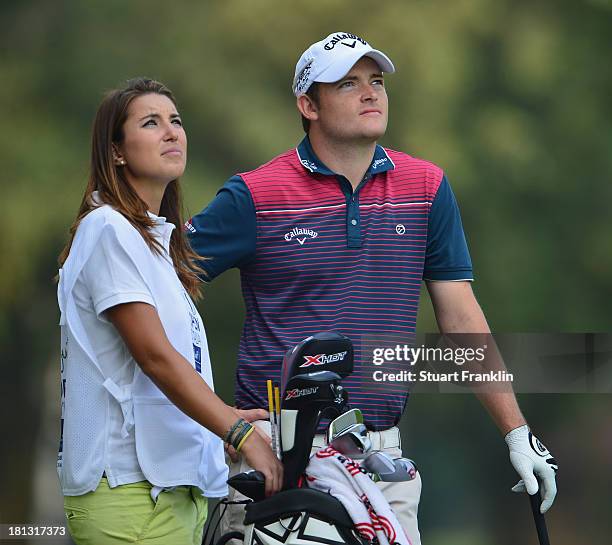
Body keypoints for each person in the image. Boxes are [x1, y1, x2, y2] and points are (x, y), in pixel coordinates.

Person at [187, 33, 558, 544]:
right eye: (348, 83)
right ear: (308, 105)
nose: (370, 94)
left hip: (384, 458)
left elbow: (461, 318)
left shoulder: (426, 187)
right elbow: (155, 295)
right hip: (280, 460)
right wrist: (220, 417)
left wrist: (518, 433)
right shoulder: (255, 194)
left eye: (376, 81)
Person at [56, 78, 283, 545]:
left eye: (175, 121)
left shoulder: (158, 246)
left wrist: (217, 422)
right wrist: (239, 432)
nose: (171, 132)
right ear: (116, 151)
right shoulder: (106, 229)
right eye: (151, 122)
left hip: (175, 493)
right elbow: (154, 357)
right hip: (126, 492)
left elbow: (163, 373)